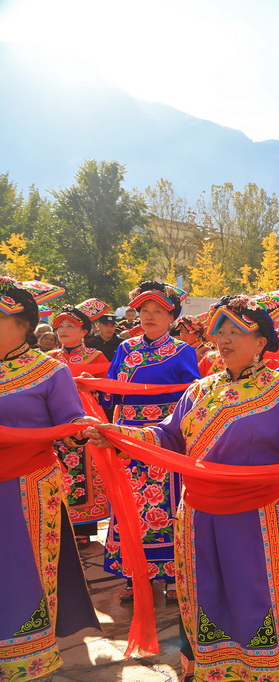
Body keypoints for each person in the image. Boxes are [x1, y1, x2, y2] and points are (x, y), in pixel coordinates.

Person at [86, 292, 279, 682]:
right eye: (220, 332)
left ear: (261, 342)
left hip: (259, 516)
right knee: (205, 591)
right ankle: (212, 666)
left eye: (235, 332)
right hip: (198, 515)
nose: (224, 340)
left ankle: (263, 668)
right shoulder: (199, 390)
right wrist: (121, 436)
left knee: (255, 592)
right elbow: (168, 436)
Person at [0, 277, 99, 681]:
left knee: (22, 572)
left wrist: (84, 427)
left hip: (27, 487)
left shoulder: (49, 371)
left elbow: (70, 421)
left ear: (23, 323)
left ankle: (26, 659)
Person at [103, 281, 201, 603]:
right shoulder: (125, 349)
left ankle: (172, 574)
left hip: (165, 434)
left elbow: (193, 394)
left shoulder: (183, 351)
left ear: (171, 317)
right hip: (128, 434)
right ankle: (134, 572)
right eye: (144, 310)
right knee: (129, 502)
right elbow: (112, 388)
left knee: (167, 503)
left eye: (157, 310)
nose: (149, 315)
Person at [49, 299, 112, 546]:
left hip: (85, 417)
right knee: (58, 466)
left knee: (85, 467)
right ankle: (58, 524)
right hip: (54, 419)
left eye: (70, 326)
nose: (63, 330)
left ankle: (84, 528)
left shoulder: (96, 357)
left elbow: (108, 390)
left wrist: (91, 386)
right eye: (60, 326)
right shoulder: (49, 359)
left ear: (84, 331)